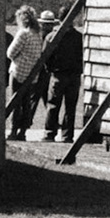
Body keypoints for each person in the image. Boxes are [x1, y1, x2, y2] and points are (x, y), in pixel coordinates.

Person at [40, 7, 84, 142]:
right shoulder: (78, 37)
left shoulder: (51, 36)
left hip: (58, 74)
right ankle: (67, 135)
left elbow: (45, 57)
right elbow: (80, 56)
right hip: (74, 76)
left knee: (53, 105)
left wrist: (49, 69)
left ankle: (49, 133)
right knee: (70, 107)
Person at [5, 5, 46, 140]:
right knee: (26, 103)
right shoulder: (38, 33)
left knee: (15, 102)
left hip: (19, 71)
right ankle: (23, 131)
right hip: (32, 73)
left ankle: (13, 130)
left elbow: (10, 53)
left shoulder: (23, 33)